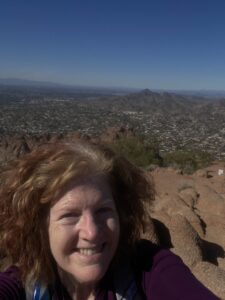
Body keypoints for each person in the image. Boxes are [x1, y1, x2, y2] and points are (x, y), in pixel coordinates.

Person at [0, 140, 219, 300]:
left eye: (103, 210)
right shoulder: (26, 285)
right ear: (40, 225)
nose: (92, 232)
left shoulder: (148, 269)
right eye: (70, 215)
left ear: (121, 213)